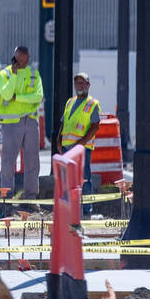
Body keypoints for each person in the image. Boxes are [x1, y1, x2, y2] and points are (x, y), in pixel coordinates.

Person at [0, 45, 44, 201]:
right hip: (11, 123)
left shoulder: (34, 74)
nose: (23, 64)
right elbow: (7, 93)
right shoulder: (4, 74)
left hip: (30, 121)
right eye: (20, 61)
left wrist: (18, 98)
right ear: (14, 59)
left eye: (25, 61)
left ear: (28, 58)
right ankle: (7, 199)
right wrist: (15, 76)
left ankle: (30, 198)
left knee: (32, 161)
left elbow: (38, 97)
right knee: (8, 162)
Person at [58, 72, 101, 208]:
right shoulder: (70, 102)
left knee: (84, 178)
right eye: (77, 82)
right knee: (67, 179)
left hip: (82, 148)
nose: (79, 85)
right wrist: (58, 141)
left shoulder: (92, 104)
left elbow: (95, 127)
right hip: (66, 147)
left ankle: (87, 209)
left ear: (88, 85)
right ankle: (69, 207)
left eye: (82, 82)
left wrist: (80, 143)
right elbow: (63, 124)